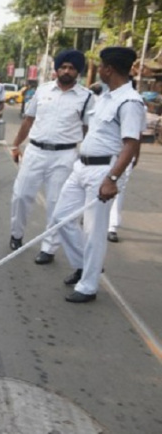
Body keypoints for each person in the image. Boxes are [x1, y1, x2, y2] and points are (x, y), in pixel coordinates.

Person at [50, 46, 145, 303]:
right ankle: (84, 264)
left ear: (109, 69)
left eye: (101, 66)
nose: (99, 70)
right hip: (82, 166)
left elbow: (131, 144)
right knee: (61, 218)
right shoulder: (105, 96)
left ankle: (88, 285)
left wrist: (112, 179)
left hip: (104, 171)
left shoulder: (130, 102)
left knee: (94, 230)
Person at [7, 50, 94, 264]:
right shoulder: (43, 91)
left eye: (71, 68)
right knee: (21, 195)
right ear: (57, 69)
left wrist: (86, 158)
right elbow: (28, 120)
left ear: (78, 71)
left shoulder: (87, 98)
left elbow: (88, 129)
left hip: (65, 155)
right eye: (63, 67)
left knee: (56, 202)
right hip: (35, 151)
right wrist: (16, 144)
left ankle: (49, 247)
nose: (66, 71)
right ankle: (16, 235)